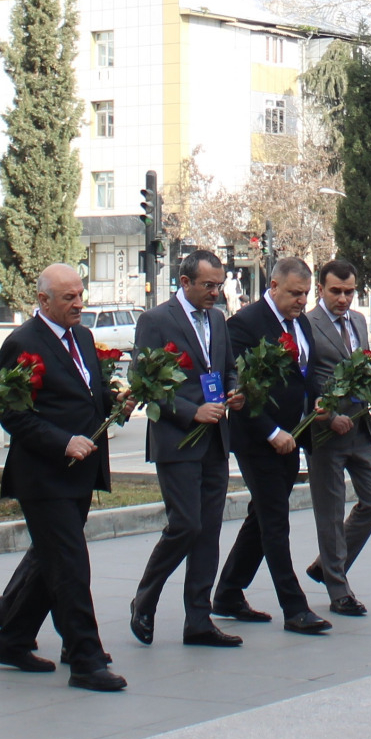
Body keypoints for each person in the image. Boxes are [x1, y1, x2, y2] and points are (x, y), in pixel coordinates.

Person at [0, 262, 129, 691]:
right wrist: (62, 440)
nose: (78, 304)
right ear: (43, 300)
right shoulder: (21, 343)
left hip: (80, 473)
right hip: (43, 476)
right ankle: (85, 657)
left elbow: (87, 393)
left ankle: (12, 639)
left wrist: (114, 401)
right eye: (69, 298)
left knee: (53, 559)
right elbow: (13, 414)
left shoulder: (82, 337)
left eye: (80, 295)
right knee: (70, 564)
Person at [127, 248, 242, 649]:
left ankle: (199, 619)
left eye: (219, 285)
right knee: (186, 525)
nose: (215, 292)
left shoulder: (217, 319)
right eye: (208, 285)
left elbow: (226, 367)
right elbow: (146, 383)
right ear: (185, 283)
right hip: (177, 440)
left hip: (215, 440)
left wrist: (235, 390)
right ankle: (146, 597)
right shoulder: (156, 321)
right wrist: (192, 412)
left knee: (208, 531)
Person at [212, 257, 332, 634]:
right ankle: (294, 608)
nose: (302, 301)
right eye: (296, 293)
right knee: (275, 520)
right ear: (274, 286)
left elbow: (304, 375)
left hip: (292, 436)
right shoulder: (245, 325)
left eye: (306, 294)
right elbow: (239, 388)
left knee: (262, 516)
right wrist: (270, 432)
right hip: (258, 439)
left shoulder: (301, 325)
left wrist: (317, 403)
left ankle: (229, 592)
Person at [301, 258, 371, 617]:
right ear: (320, 289)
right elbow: (302, 382)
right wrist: (327, 417)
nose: (343, 299)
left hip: (360, 427)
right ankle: (339, 590)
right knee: (330, 513)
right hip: (325, 433)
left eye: (349, 291)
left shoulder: (358, 321)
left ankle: (326, 566)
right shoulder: (305, 324)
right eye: (336, 291)